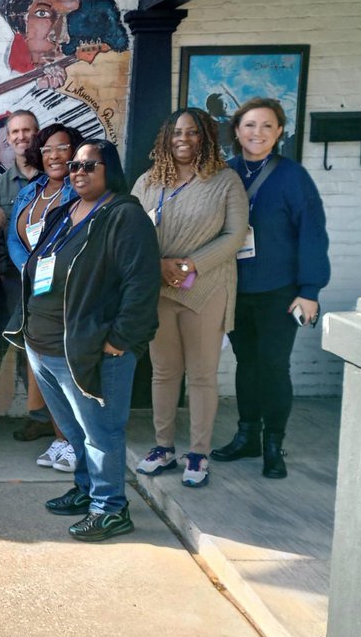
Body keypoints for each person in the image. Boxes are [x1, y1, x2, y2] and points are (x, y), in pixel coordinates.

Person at [14, 140, 160, 542]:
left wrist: (120, 340)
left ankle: (110, 508)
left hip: (90, 348)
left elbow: (142, 284)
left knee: (101, 433)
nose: (77, 171)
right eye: (74, 165)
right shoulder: (65, 212)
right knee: (74, 430)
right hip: (43, 344)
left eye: (88, 165)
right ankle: (86, 488)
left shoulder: (124, 216)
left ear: (108, 169)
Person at [210, 97, 330, 479]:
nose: (257, 133)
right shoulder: (225, 173)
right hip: (236, 289)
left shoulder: (292, 176)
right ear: (236, 131)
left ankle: (273, 445)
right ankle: (247, 435)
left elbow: (312, 233)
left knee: (274, 367)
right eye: (249, 125)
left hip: (281, 290)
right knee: (247, 365)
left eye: (266, 126)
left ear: (279, 132)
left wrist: (309, 290)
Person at [132, 109, 248, 488]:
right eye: (177, 132)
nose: (184, 138)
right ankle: (163, 447)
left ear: (206, 138)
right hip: (159, 287)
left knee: (200, 375)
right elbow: (131, 233)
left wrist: (191, 265)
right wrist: (160, 264)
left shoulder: (226, 181)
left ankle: (198, 452)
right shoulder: (148, 182)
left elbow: (234, 235)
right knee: (164, 373)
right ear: (166, 138)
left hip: (207, 288)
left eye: (193, 132)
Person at [6, 123, 83, 463]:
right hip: (34, 291)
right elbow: (12, 237)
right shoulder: (31, 191)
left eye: (62, 148)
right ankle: (61, 437)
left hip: (66, 292)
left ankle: (76, 442)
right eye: (48, 149)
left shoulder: (79, 191)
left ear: (75, 152)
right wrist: (29, 267)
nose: (54, 156)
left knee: (65, 370)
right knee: (44, 371)